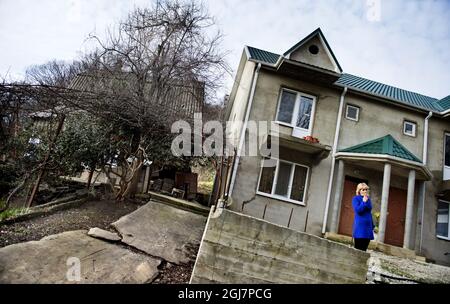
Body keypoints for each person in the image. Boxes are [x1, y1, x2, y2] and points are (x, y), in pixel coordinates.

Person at [352, 183, 374, 251]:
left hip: (368, 227)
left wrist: (372, 225)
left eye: (366, 189)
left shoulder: (368, 199)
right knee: (358, 248)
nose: (365, 191)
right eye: (363, 189)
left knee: (364, 248)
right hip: (360, 227)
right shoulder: (355, 198)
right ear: (359, 190)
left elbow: (369, 212)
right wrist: (363, 202)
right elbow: (358, 210)